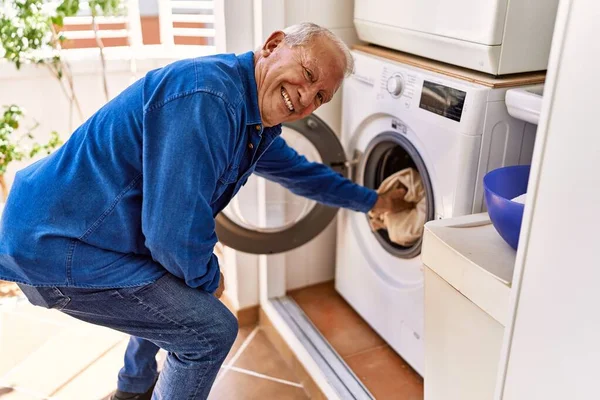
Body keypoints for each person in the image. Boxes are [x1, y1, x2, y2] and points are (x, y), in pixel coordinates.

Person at [0, 22, 409, 399]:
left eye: (321, 96)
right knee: (209, 330)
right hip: (53, 244)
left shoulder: (254, 122)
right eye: (307, 74)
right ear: (272, 45)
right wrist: (209, 278)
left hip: (73, 231)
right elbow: (171, 235)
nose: (306, 97)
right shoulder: (209, 98)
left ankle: (132, 390)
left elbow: (305, 175)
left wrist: (375, 201)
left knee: (171, 286)